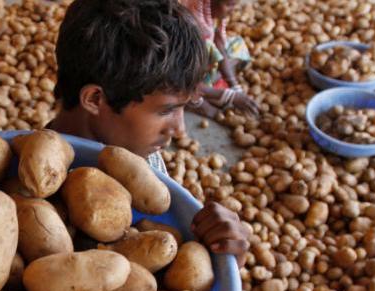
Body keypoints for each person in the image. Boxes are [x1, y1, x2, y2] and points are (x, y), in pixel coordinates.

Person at [47, 0, 250, 265]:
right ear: (95, 99)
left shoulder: (139, 155)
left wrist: (219, 249)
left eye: (184, 108)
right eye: (167, 111)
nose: (180, 130)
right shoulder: (36, 189)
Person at [182, 0, 260, 119]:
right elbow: (178, 71)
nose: (233, 10)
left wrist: (235, 86)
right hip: (183, 73)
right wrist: (229, 96)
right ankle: (196, 99)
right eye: (229, 5)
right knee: (207, 50)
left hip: (201, 64)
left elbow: (220, 46)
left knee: (238, 45)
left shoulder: (210, 12)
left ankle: (208, 86)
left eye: (234, 5)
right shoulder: (190, 20)